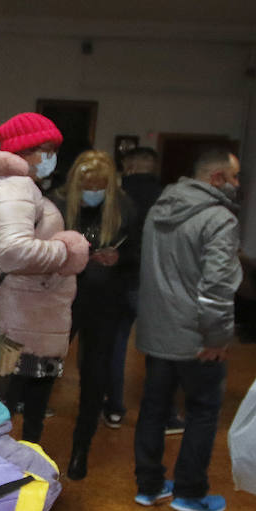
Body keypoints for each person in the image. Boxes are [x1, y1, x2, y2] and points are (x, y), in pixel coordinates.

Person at [0, 112, 90, 445]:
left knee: (8, 421)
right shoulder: (11, 186)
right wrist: (67, 251)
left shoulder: (12, 186)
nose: (50, 158)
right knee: (1, 424)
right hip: (15, 325)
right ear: (24, 150)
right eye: (45, 149)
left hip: (21, 319)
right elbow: (14, 252)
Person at [132, 145, 241, 511]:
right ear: (216, 178)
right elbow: (217, 286)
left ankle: (148, 486)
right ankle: (190, 493)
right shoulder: (218, 219)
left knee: (153, 408)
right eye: (235, 176)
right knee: (203, 411)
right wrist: (217, 337)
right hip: (196, 336)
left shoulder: (159, 209)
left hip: (158, 330)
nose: (237, 184)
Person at [51, 150, 138, 479]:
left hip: (104, 302)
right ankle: (28, 443)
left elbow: (136, 253)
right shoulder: (56, 205)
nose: (93, 191)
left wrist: (120, 259)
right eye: (88, 186)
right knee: (44, 371)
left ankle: (80, 451)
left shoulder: (124, 208)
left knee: (95, 376)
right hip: (60, 301)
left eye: (100, 186)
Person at [105, 147, 161, 428]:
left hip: (119, 276)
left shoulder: (115, 195)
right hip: (154, 280)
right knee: (160, 347)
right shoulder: (166, 197)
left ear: (128, 166)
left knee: (115, 344)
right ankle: (160, 412)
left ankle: (114, 407)